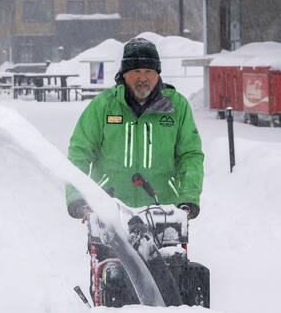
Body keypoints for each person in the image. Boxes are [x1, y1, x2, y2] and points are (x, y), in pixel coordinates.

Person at [65, 37, 204, 219]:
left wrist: (188, 196)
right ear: (124, 74)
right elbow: (79, 152)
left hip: (163, 210)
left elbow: (190, 155)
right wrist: (77, 196)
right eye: (136, 71)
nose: (142, 78)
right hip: (109, 209)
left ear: (157, 74)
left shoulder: (176, 106)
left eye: (148, 71)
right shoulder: (104, 105)